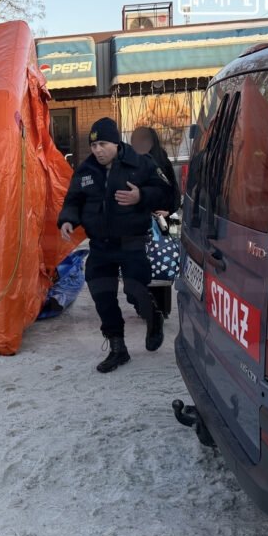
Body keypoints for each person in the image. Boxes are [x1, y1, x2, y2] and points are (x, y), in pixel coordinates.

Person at [58, 117, 179, 372]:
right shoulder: (86, 170)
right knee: (102, 295)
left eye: (102, 144)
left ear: (115, 141)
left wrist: (141, 196)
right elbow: (73, 200)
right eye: (93, 146)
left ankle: (153, 316)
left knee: (135, 290)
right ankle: (117, 348)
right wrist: (68, 220)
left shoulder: (141, 163)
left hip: (132, 243)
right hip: (101, 246)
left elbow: (170, 196)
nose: (97, 150)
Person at [130, 126, 182, 320]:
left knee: (164, 263)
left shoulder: (162, 161)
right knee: (148, 264)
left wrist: (169, 211)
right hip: (145, 221)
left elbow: (174, 192)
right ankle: (148, 307)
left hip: (166, 220)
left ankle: (161, 308)